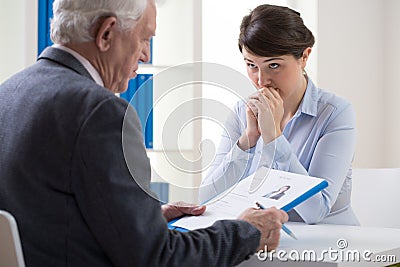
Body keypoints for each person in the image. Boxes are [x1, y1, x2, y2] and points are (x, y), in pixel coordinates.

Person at [0, 0, 288, 266]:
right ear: (107, 33)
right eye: (144, 38)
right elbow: (159, 259)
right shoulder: (99, 112)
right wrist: (247, 232)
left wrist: (142, 219)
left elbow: (49, 217)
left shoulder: (9, 93)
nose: (146, 53)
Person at [199, 4, 359, 226]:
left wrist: (274, 137)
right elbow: (205, 198)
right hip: (264, 244)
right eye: (251, 65)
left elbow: (315, 211)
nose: (261, 80)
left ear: (304, 57)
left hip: (332, 246)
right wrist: (248, 140)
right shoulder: (241, 111)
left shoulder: (335, 113)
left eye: (273, 65)